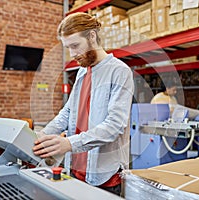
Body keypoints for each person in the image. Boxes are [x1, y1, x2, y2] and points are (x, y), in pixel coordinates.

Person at [32, 12, 134, 196]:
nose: (72, 54)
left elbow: (115, 125)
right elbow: (68, 111)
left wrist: (69, 144)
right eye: (68, 48)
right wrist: (43, 135)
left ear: (92, 36)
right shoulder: (82, 72)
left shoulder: (119, 71)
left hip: (104, 176)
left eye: (75, 46)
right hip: (75, 169)